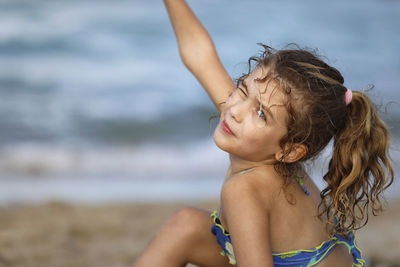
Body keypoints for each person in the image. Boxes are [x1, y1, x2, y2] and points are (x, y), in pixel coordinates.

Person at [133, 0, 394, 266]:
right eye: (243, 89)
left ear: (291, 151)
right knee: (186, 224)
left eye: (260, 114)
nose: (234, 109)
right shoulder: (268, 139)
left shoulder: (243, 190)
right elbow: (201, 56)